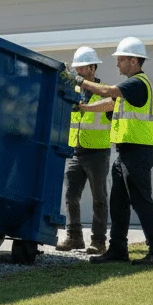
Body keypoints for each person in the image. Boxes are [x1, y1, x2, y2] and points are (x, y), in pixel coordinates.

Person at [80, 37, 153, 266]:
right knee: (118, 202)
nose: (117, 64)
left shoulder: (138, 83)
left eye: (120, 60)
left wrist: (81, 81)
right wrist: (83, 107)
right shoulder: (129, 88)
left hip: (138, 152)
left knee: (142, 201)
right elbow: (110, 103)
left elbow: (108, 91)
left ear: (132, 60)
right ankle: (118, 250)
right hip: (125, 153)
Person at [59, 47, 113, 254]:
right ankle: (74, 238)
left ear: (92, 68)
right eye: (76, 69)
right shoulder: (71, 93)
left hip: (98, 153)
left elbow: (110, 105)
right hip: (75, 152)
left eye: (82, 68)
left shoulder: (106, 92)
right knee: (71, 196)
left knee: (99, 198)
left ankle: (99, 242)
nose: (78, 72)